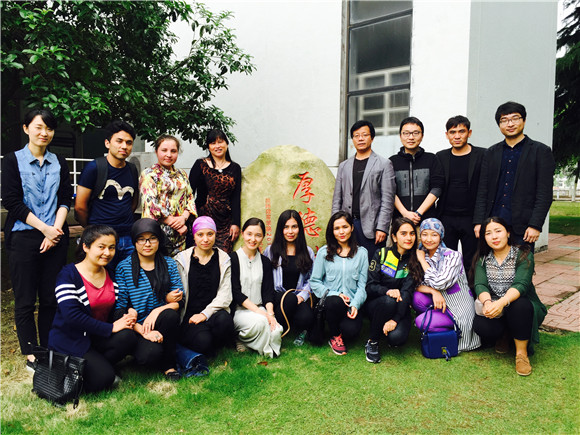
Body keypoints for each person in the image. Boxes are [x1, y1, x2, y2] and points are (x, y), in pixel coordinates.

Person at [2, 108, 73, 365]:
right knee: (24, 299)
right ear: (26, 129)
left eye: (49, 128)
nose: (44, 133)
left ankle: (49, 347)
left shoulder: (59, 162)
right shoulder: (12, 160)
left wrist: (55, 231)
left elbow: (65, 198)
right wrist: (45, 229)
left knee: (50, 298)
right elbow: (11, 201)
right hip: (23, 238)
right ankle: (32, 351)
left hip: (56, 236)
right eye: (39, 127)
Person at [48, 225, 137, 393]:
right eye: (101, 247)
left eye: (111, 247)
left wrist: (130, 310)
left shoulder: (110, 272)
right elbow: (71, 316)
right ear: (85, 247)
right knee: (104, 379)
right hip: (71, 340)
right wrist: (111, 328)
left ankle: (98, 366)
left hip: (96, 337)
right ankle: (74, 370)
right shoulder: (68, 275)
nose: (107, 253)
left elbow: (121, 301)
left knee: (128, 337)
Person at [471, 217, 547, 376]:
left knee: (519, 306)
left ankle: (521, 354)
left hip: (521, 307)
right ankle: (506, 334)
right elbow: (480, 284)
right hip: (497, 306)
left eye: (498, 231)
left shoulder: (523, 254)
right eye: (488, 233)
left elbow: (521, 284)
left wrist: (501, 303)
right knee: (481, 325)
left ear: (508, 233)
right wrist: (487, 303)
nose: (494, 237)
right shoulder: (482, 258)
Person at [473, 101, 555, 248]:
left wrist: (535, 225)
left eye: (515, 118)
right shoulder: (491, 153)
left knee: (522, 263)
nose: (510, 124)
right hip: (493, 224)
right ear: (499, 125)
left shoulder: (541, 151)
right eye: (504, 120)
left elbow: (544, 193)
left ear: (524, 120)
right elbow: (482, 190)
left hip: (523, 226)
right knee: (490, 262)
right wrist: (479, 222)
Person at [114, 219, 183, 380]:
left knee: (170, 315)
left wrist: (157, 311)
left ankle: (169, 366)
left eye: (152, 238)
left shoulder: (169, 264)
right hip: (136, 326)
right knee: (149, 356)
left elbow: (179, 300)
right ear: (134, 242)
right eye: (141, 239)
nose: (147, 244)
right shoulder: (124, 267)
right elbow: (119, 308)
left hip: (162, 322)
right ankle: (147, 349)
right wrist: (143, 331)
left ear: (159, 240)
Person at [75, 120, 140, 271]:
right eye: (119, 141)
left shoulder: (132, 169)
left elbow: (133, 201)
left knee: (128, 279)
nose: (124, 146)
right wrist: (92, 229)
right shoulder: (94, 168)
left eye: (129, 143)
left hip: (127, 237)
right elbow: (79, 207)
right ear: (107, 143)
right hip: (101, 237)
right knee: (102, 279)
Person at [411, 218, 481, 352]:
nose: (429, 239)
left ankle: (449, 334)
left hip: (457, 309)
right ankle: (437, 329)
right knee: (417, 297)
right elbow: (414, 284)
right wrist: (433, 292)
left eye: (434, 235)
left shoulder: (452, 256)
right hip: (440, 304)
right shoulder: (423, 254)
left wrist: (422, 261)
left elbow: (439, 283)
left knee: (421, 321)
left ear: (441, 236)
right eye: (425, 234)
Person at [332, 120, 396, 262]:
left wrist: (382, 227)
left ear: (372, 138)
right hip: (347, 225)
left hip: (372, 227)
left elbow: (388, 200)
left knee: (371, 266)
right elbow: (337, 199)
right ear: (352, 139)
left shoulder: (384, 164)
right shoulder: (344, 166)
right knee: (347, 264)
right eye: (356, 136)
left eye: (364, 135)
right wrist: (335, 225)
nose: (360, 138)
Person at [174, 217, 235, 357]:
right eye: (200, 235)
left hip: (213, 313)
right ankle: (205, 342)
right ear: (194, 236)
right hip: (190, 317)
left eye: (210, 234)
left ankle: (214, 342)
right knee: (203, 342)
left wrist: (205, 314)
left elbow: (225, 295)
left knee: (225, 321)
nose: (205, 239)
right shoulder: (182, 259)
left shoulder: (223, 259)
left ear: (215, 234)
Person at [310, 211, 368, 355]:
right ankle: (335, 336)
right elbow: (315, 281)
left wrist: (355, 304)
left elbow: (362, 286)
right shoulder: (324, 253)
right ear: (332, 231)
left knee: (351, 332)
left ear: (352, 228)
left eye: (345, 227)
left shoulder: (362, 253)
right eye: (337, 228)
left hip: (350, 304)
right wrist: (336, 294)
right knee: (334, 301)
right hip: (330, 303)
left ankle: (342, 329)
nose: (341, 232)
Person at [364, 218, 419, 363]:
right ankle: (373, 341)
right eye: (403, 233)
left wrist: (395, 319)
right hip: (378, 304)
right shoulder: (381, 254)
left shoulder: (414, 260)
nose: (409, 238)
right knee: (389, 301)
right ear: (394, 237)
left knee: (397, 339)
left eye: (412, 233)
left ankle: (388, 326)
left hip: (401, 307)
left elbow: (407, 292)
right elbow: (370, 286)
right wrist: (387, 291)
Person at [436, 116, 485, 274]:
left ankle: (471, 288)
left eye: (461, 131)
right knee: (447, 260)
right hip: (446, 217)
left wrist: (480, 220)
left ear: (469, 133)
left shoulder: (482, 155)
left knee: (472, 260)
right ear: (447, 135)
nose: (457, 136)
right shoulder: (440, 157)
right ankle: (451, 289)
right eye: (453, 132)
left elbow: (485, 188)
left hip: (471, 218)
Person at [230, 218, 283, 358]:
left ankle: (248, 343)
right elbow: (235, 292)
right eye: (249, 234)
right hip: (240, 311)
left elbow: (268, 292)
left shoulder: (265, 262)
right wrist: (261, 314)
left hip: (261, 308)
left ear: (263, 237)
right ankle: (244, 339)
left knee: (277, 329)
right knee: (261, 323)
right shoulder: (233, 259)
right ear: (242, 234)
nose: (253, 239)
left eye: (258, 235)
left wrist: (270, 314)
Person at [264, 210, 315, 346]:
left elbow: (312, 279)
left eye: (294, 227)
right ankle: (276, 327)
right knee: (289, 300)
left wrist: (302, 296)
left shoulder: (308, 252)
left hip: (297, 297)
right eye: (286, 227)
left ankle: (291, 324)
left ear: (299, 229)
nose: (290, 231)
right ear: (281, 229)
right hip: (277, 296)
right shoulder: (270, 251)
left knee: (307, 318)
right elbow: (265, 278)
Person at [140, 134, 197, 256]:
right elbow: (151, 204)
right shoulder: (149, 174)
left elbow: (190, 198)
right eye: (164, 150)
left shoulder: (182, 174)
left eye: (173, 151)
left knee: (179, 266)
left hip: (181, 235)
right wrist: (175, 224)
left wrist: (183, 218)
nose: (169, 155)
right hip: (158, 234)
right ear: (156, 151)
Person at [189, 129, 242, 253]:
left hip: (225, 222)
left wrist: (236, 223)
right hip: (203, 219)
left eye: (220, 142)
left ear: (226, 144)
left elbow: (236, 197)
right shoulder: (200, 164)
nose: (217, 146)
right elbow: (189, 194)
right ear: (208, 147)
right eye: (213, 143)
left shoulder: (235, 168)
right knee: (202, 254)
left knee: (223, 257)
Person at [390, 117, 444, 224]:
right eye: (406, 133)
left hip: (427, 222)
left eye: (415, 133)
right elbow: (389, 191)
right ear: (400, 136)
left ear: (422, 136)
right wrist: (405, 213)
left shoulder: (432, 159)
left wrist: (419, 213)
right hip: (400, 223)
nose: (411, 137)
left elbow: (437, 188)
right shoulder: (392, 162)